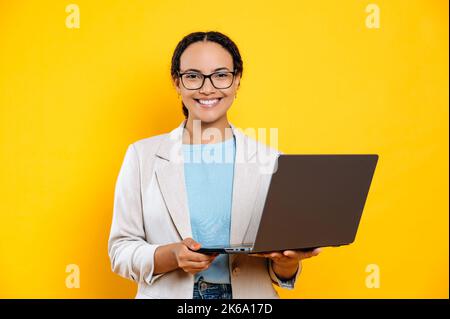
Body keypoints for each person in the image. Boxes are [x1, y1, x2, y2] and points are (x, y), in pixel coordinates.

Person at [108, 31, 321, 299]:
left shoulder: (271, 161)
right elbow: (120, 251)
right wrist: (171, 255)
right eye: (193, 76)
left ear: (237, 80)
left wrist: (288, 262)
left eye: (221, 75)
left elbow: (281, 270)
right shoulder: (141, 156)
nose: (207, 88)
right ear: (177, 82)